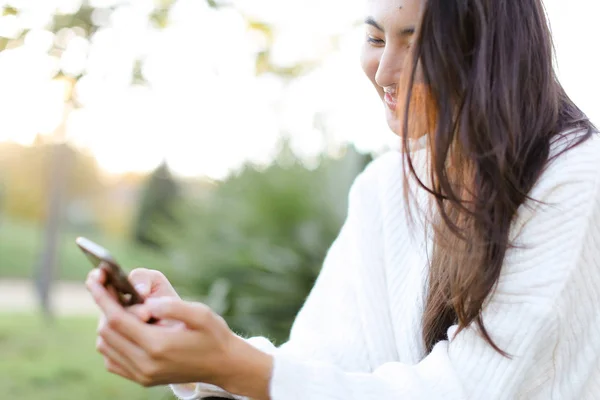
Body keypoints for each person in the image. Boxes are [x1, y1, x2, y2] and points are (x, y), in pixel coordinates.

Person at [86, 0, 600, 399]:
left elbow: (466, 391)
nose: (383, 73)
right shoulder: (382, 186)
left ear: (487, 50)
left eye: (416, 45)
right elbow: (322, 366)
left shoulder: (573, 178)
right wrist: (206, 349)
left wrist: (231, 365)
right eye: (375, 38)